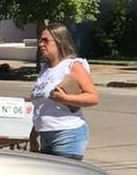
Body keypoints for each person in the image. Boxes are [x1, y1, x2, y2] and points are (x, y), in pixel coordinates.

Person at [29, 22, 99, 160]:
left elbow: (93, 97)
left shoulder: (72, 66)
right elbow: (41, 107)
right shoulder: (44, 70)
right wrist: (33, 134)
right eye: (39, 40)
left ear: (59, 41)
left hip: (67, 134)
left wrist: (64, 99)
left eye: (46, 40)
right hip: (45, 136)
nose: (40, 44)